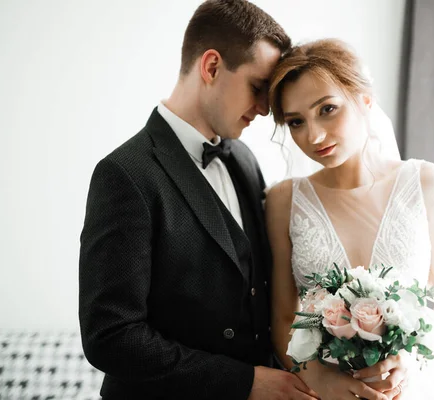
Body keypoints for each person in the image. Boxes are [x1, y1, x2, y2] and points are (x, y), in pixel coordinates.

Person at [78, 1, 320, 399]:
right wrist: (245, 383)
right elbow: (112, 336)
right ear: (211, 67)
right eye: (258, 87)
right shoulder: (125, 174)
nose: (263, 109)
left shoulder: (242, 158)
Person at [266, 39, 434, 399]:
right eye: (296, 122)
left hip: (419, 383)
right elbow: (285, 319)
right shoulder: (283, 200)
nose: (314, 135)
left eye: (328, 109)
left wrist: (412, 355)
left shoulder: (427, 183)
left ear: (365, 100)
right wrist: (320, 379)